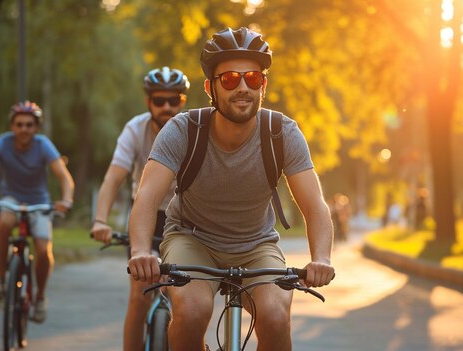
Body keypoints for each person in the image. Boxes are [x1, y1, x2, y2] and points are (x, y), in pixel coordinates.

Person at [127, 27, 336, 351]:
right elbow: (147, 196)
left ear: (263, 85)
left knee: (275, 316)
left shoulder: (282, 132)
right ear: (210, 87)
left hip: (256, 244)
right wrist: (141, 250)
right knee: (192, 313)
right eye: (229, 80)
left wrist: (320, 257)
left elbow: (314, 205)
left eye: (252, 79)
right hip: (192, 239)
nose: (242, 87)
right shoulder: (184, 130)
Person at [90, 66, 189, 351]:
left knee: (188, 298)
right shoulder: (135, 129)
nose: (167, 106)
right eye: (159, 100)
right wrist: (100, 220)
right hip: (146, 216)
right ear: (148, 102)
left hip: (185, 219)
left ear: (183, 101)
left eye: (174, 100)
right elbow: (113, 178)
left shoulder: (194, 128)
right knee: (140, 291)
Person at [0, 101, 74, 323]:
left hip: (39, 201)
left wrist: (65, 200)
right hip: (11, 199)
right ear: (12, 126)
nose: (24, 129)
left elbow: (65, 178)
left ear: (35, 127)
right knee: (5, 222)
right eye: (19, 125)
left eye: (29, 125)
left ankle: (40, 297)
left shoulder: (43, 145)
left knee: (44, 249)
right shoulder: (1, 144)